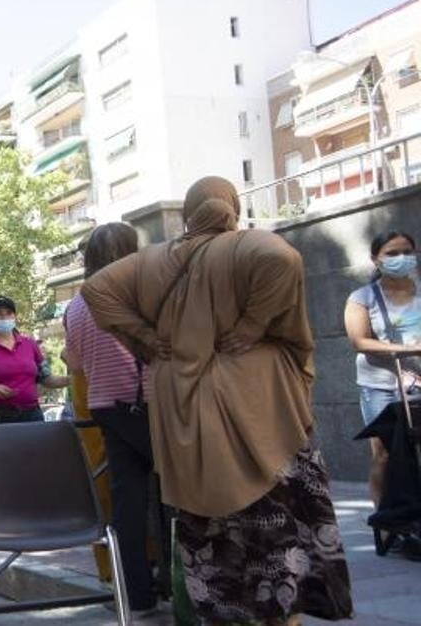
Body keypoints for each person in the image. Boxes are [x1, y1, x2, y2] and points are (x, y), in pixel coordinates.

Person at [83, 177, 353, 625]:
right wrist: (252, 323)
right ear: (232, 207)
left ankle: (226, 613)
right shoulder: (247, 246)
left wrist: (148, 339)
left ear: (189, 212)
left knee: (208, 527)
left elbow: (96, 290)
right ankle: (282, 615)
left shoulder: (154, 260)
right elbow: (283, 257)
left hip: (185, 409)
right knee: (277, 515)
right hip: (260, 403)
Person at [64, 222, 156, 616]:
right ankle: (187, 583)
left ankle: (137, 595)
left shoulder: (77, 304)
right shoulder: (136, 291)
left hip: (106, 409)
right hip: (149, 405)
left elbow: (77, 362)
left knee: (127, 503)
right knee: (180, 494)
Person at [344, 230, 421, 509]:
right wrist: (410, 350)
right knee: (385, 455)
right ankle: (385, 522)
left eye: (407, 252)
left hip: (418, 383)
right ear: (375, 259)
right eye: (392, 253)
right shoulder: (362, 297)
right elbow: (359, 341)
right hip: (380, 387)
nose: (401, 258)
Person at [0, 296, 69, 424]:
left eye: (8, 313)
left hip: (31, 416)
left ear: (15, 316)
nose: (4, 318)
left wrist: (71, 379)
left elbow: (46, 378)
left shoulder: (30, 345)